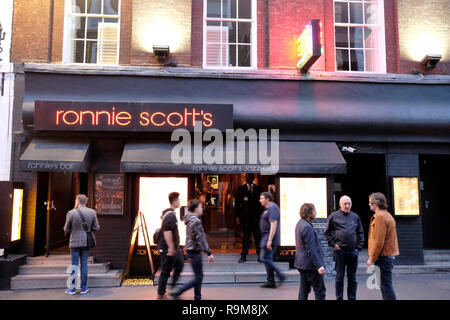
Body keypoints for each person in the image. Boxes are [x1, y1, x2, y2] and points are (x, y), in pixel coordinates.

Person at [170, 200, 214, 300]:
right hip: (195, 251)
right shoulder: (196, 221)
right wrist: (208, 252)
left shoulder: (190, 220)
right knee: (199, 277)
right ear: (195, 209)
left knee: (198, 275)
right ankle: (178, 291)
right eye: (200, 207)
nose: (202, 209)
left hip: (190, 250)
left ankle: (197, 297)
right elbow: (201, 238)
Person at [324, 195, 364, 300]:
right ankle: (339, 298)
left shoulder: (355, 217)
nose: (347, 206)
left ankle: (352, 298)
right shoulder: (334, 216)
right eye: (345, 203)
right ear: (340, 204)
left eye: (349, 203)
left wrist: (358, 248)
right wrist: (333, 244)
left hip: (352, 252)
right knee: (339, 278)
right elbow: (327, 233)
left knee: (352, 279)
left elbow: (360, 233)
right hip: (340, 251)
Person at [63, 194, 100, 295]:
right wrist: (88, 229)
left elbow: (66, 229)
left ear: (77, 201)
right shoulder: (92, 212)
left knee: (74, 264)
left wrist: (73, 230)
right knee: (84, 264)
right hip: (86, 242)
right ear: (86, 202)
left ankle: (72, 289)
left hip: (74, 241)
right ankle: (84, 288)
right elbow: (97, 227)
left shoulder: (71, 213)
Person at [367, 192, 399, 300]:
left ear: (375, 203)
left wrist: (371, 258)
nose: (369, 204)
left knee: (385, 286)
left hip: (384, 257)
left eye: (370, 202)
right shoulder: (386, 214)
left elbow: (379, 241)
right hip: (387, 256)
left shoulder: (380, 217)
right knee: (385, 285)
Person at [295, 203, 326, 300]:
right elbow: (311, 249)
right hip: (310, 266)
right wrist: (319, 266)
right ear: (309, 213)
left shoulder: (300, 223)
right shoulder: (307, 227)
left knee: (304, 290)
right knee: (320, 291)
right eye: (314, 211)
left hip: (302, 264)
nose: (316, 213)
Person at [156, 192, 185, 300]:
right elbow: (167, 232)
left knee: (180, 264)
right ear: (174, 201)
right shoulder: (170, 215)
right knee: (165, 271)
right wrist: (171, 247)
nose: (179, 202)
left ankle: (170, 288)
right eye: (178, 200)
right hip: (168, 248)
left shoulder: (170, 213)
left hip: (173, 248)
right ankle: (160, 295)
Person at [258, 192, 285, 288]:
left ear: (267, 199)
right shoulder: (268, 208)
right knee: (266, 259)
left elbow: (273, 225)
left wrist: (269, 240)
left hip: (270, 238)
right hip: (266, 237)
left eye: (261, 198)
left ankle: (280, 275)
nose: (260, 200)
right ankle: (271, 281)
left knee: (265, 258)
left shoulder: (272, 208)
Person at [235, 173, 263, 263]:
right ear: (245, 178)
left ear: (253, 178)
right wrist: (237, 216)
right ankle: (243, 255)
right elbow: (237, 205)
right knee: (246, 237)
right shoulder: (241, 189)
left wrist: (262, 217)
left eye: (250, 177)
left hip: (256, 218)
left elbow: (262, 205)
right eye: (247, 178)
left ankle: (260, 255)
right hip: (245, 218)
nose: (248, 179)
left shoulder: (259, 189)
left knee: (257, 236)